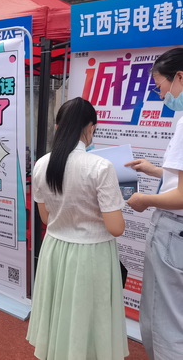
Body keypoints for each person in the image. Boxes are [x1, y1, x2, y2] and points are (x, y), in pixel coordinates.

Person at [26, 97, 128, 360]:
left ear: (57, 127)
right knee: (91, 319)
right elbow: (116, 227)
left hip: (55, 248)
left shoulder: (41, 164)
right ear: (90, 128)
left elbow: (46, 217)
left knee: (58, 313)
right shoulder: (101, 167)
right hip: (91, 253)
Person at [125, 48, 183, 360]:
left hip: (174, 232)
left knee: (165, 325)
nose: (161, 96)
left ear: (179, 77)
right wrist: (155, 170)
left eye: (160, 87)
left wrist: (145, 200)